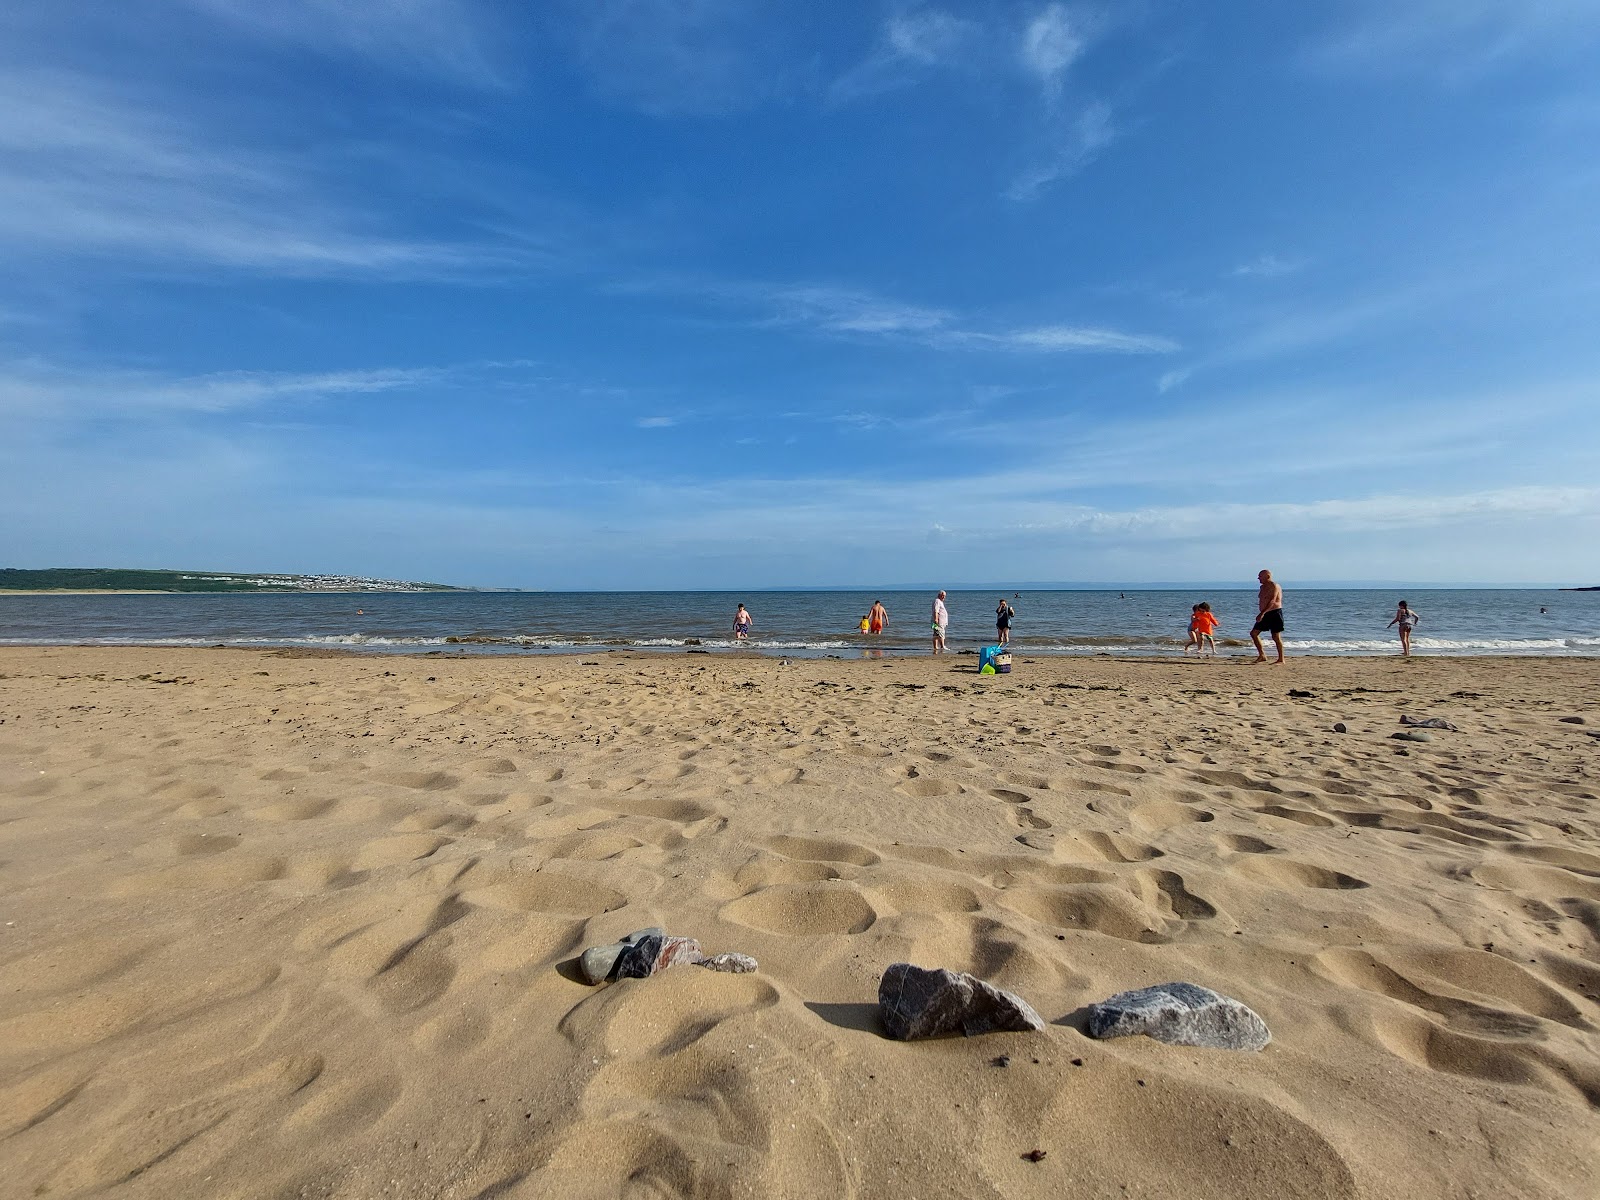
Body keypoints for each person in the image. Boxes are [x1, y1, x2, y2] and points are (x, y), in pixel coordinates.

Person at [1250, 570, 1285, 664]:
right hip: (1265, 613)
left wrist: (1262, 613)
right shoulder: (1262, 587)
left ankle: (1281, 659)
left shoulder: (1274, 586)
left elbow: (1272, 601)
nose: (1258, 578)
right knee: (1254, 633)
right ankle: (1262, 655)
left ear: (1267, 576)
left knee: (1275, 636)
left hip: (1274, 613)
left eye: (1260, 576)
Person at [931, 590, 949, 655]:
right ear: (939, 595)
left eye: (944, 596)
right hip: (938, 621)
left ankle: (935, 647)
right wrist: (936, 619)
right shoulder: (937, 601)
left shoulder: (940, 601)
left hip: (939, 621)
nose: (944, 597)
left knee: (936, 634)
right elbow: (936, 611)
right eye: (943, 595)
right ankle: (942, 646)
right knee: (941, 633)